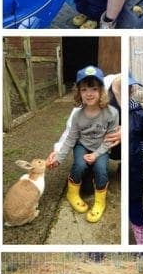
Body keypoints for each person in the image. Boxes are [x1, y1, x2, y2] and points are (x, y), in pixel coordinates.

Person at [46, 66, 119, 223]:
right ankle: (72, 193)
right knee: (79, 165)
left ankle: (100, 202)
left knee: (101, 169)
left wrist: (97, 154)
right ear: (78, 92)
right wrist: (58, 157)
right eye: (84, 89)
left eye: (93, 88)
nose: (89, 93)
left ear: (101, 90)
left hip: (101, 147)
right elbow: (71, 139)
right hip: (83, 144)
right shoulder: (77, 115)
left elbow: (110, 139)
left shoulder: (112, 113)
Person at [129, 73, 143, 244]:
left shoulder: (140, 114)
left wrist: (138, 154)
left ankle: (139, 230)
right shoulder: (112, 112)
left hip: (135, 164)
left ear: (131, 89)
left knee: (135, 198)